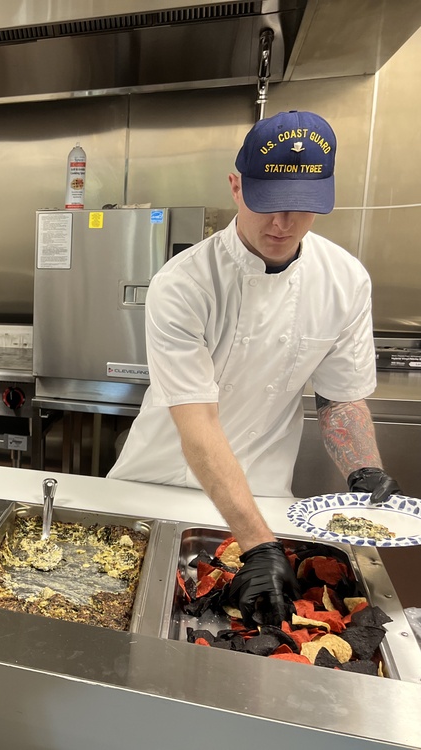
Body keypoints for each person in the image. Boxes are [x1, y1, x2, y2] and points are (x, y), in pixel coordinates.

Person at [108, 110, 401, 627]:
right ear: (237, 187)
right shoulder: (184, 284)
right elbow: (196, 421)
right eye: (268, 204)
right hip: (157, 484)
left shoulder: (345, 280)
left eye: (301, 207)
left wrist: (363, 465)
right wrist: (258, 544)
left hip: (263, 493)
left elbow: (340, 396)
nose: (282, 224)